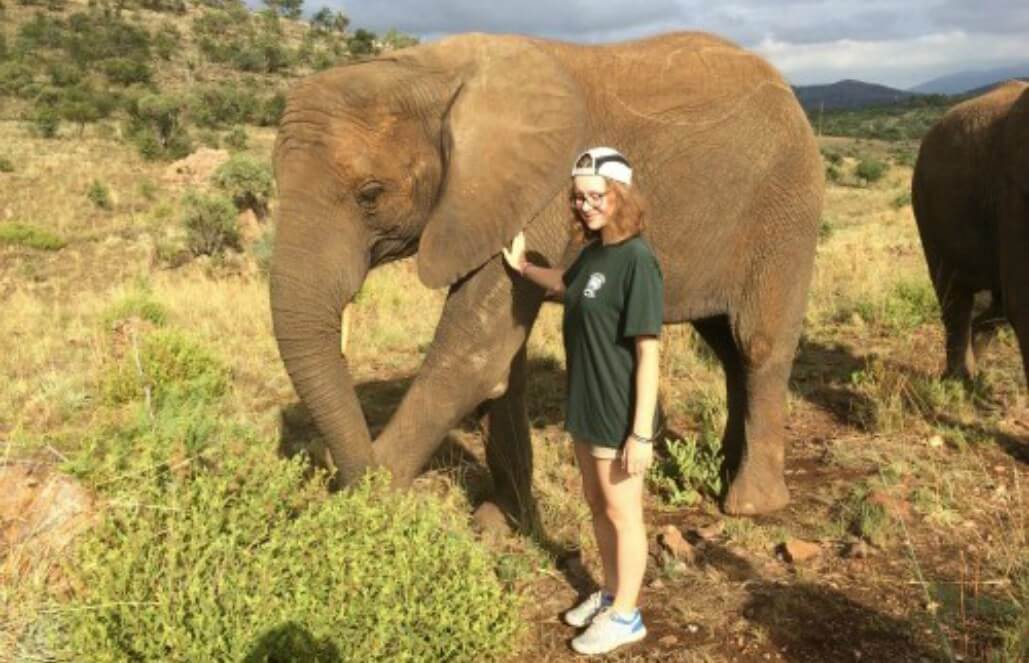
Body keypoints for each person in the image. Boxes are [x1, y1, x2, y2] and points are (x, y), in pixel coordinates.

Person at [502, 146, 663, 656]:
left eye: (597, 195)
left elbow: (649, 352)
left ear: (621, 196)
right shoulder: (595, 253)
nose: (586, 205)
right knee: (597, 505)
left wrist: (640, 433)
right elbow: (568, 287)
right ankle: (612, 591)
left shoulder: (638, 259)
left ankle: (627, 615)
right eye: (579, 197)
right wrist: (524, 267)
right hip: (586, 402)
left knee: (623, 511)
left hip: (619, 409)